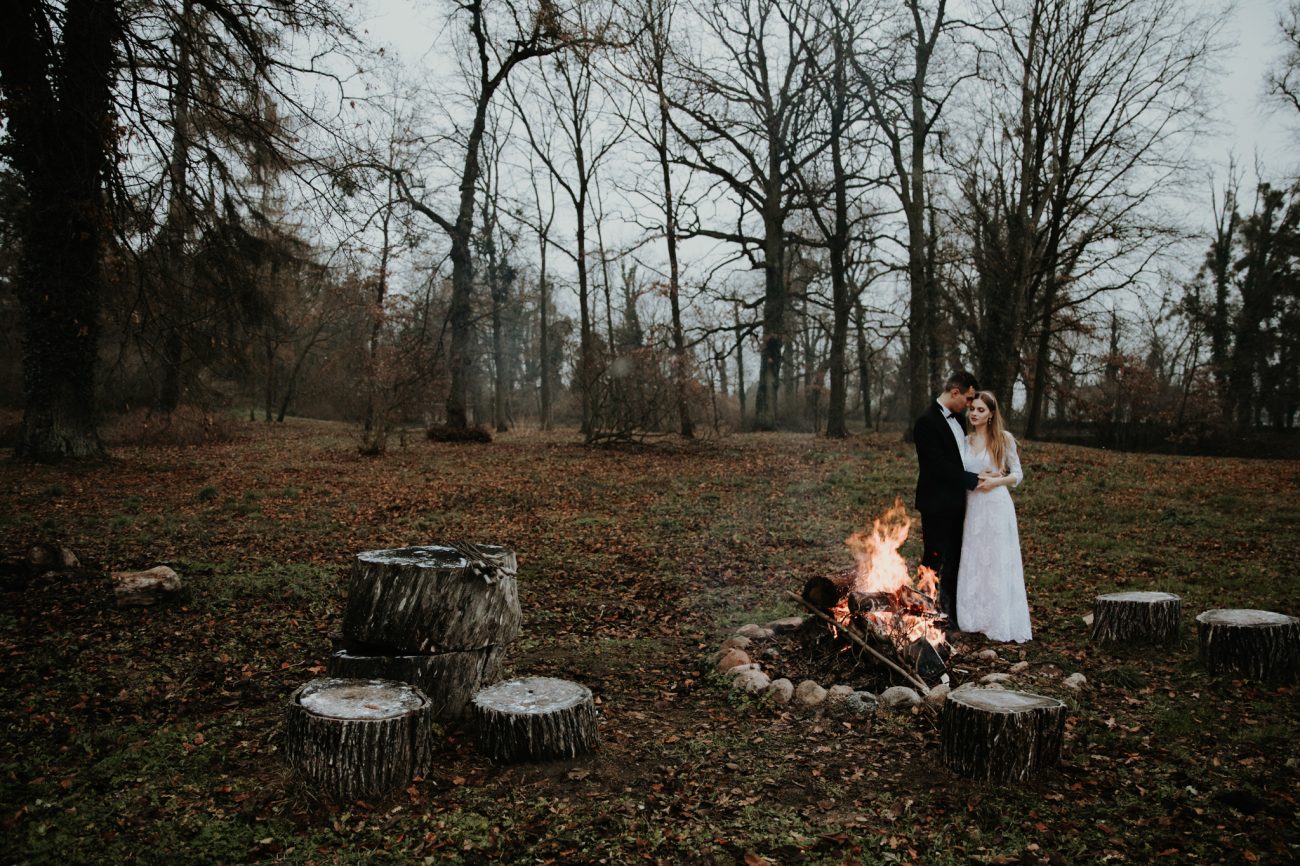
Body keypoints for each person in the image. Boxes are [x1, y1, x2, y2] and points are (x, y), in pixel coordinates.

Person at [955, 391, 1032, 642]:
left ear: (990, 414)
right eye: (972, 409)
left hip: (996, 504)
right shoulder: (965, 441)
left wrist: (996, 481)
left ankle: (999, 620)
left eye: (980, 410)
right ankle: (974, 618)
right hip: (974, 506)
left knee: (997, 559)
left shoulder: (1003, 439)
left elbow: (1017, 474)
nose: (974, 414)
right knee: (976, 558)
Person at [913, 371, 979, 631]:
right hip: (935, 503)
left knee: (955, 558)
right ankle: (923, 609)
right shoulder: (925, 422)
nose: (970, 404)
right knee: (933, 558)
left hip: (959, 503)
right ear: (955, 392)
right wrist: (971, 479)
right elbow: (936, 466)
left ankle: (950, 612)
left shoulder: (960, 421)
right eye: (968, 398)